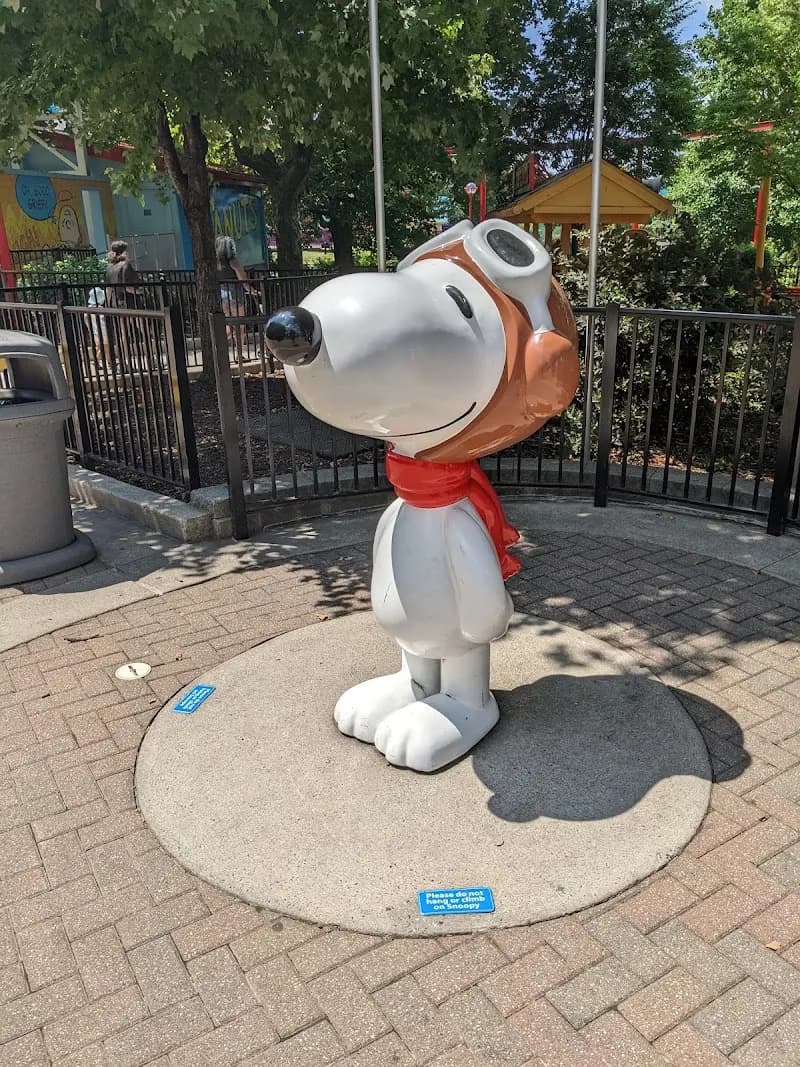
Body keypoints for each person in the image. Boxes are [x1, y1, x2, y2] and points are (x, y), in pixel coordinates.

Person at [216, 235, 257, 354]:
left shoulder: (216, 263)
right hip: (235, 294)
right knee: (240, 325)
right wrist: (252, 291)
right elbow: (242, 280)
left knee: (228, 324)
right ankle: (239, 354)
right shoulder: (233, 261)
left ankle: (220, 351)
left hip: (222, 294)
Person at [104, 240, 139, 308]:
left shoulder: (109, 267)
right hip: (130, 301)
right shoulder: (126, 265)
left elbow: (108, 289)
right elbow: (127, 288)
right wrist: (141, 292)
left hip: (117, 301)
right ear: (123, 252)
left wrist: (106, 304)